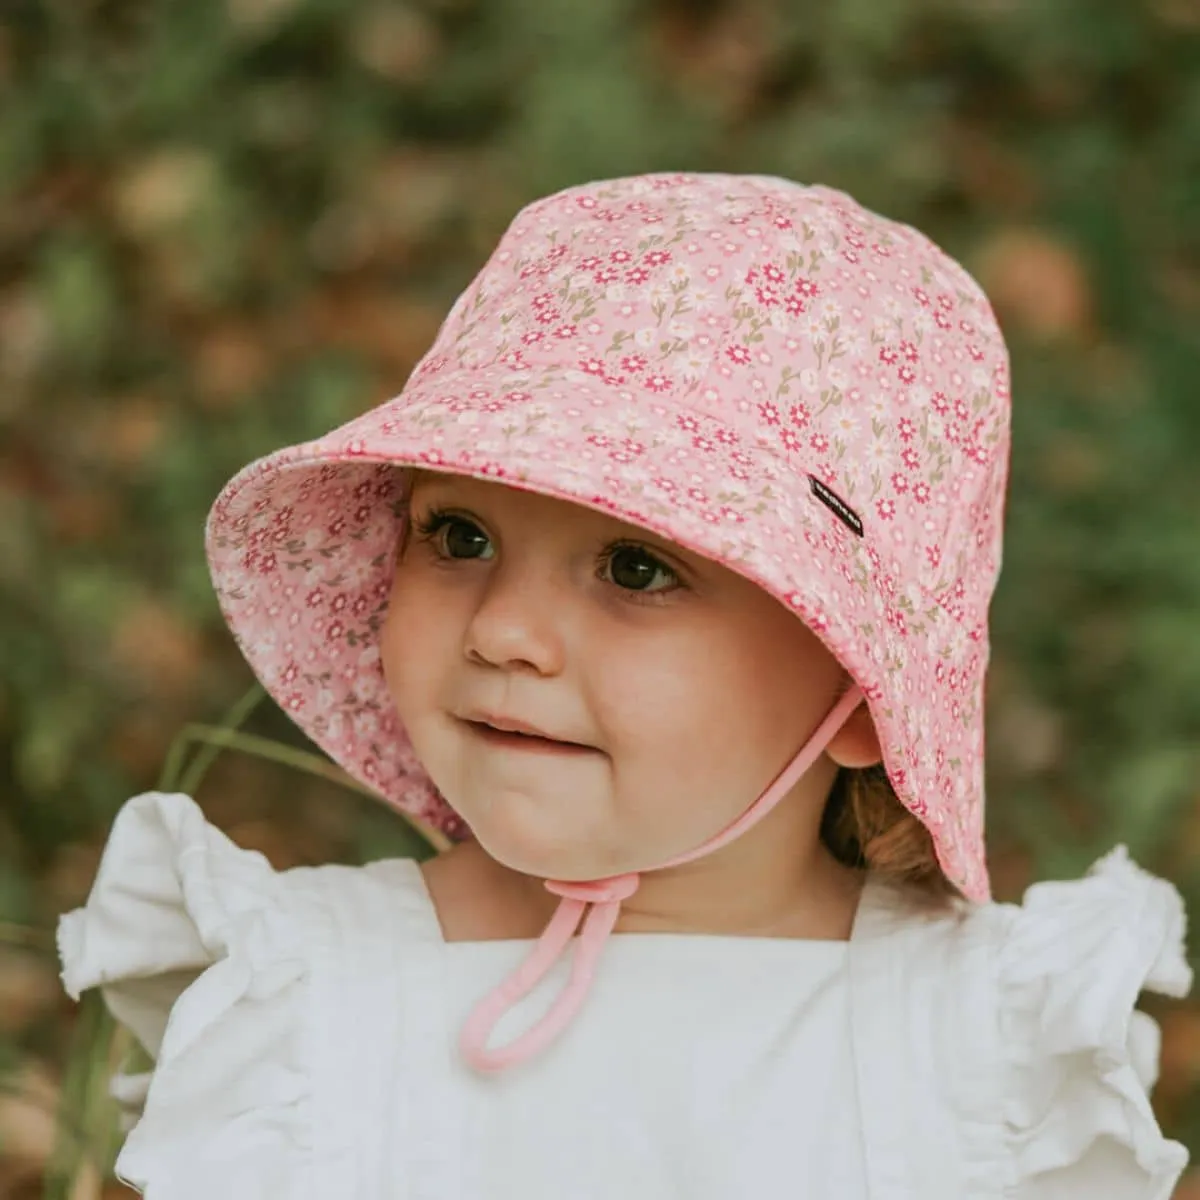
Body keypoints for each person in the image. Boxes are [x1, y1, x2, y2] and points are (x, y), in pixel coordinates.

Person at [58, 173, 1191, 1198]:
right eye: (457, 535)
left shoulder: (982, 1045)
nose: (503, 629)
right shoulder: (309, 1001)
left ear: (859, 694)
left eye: (638, 568)